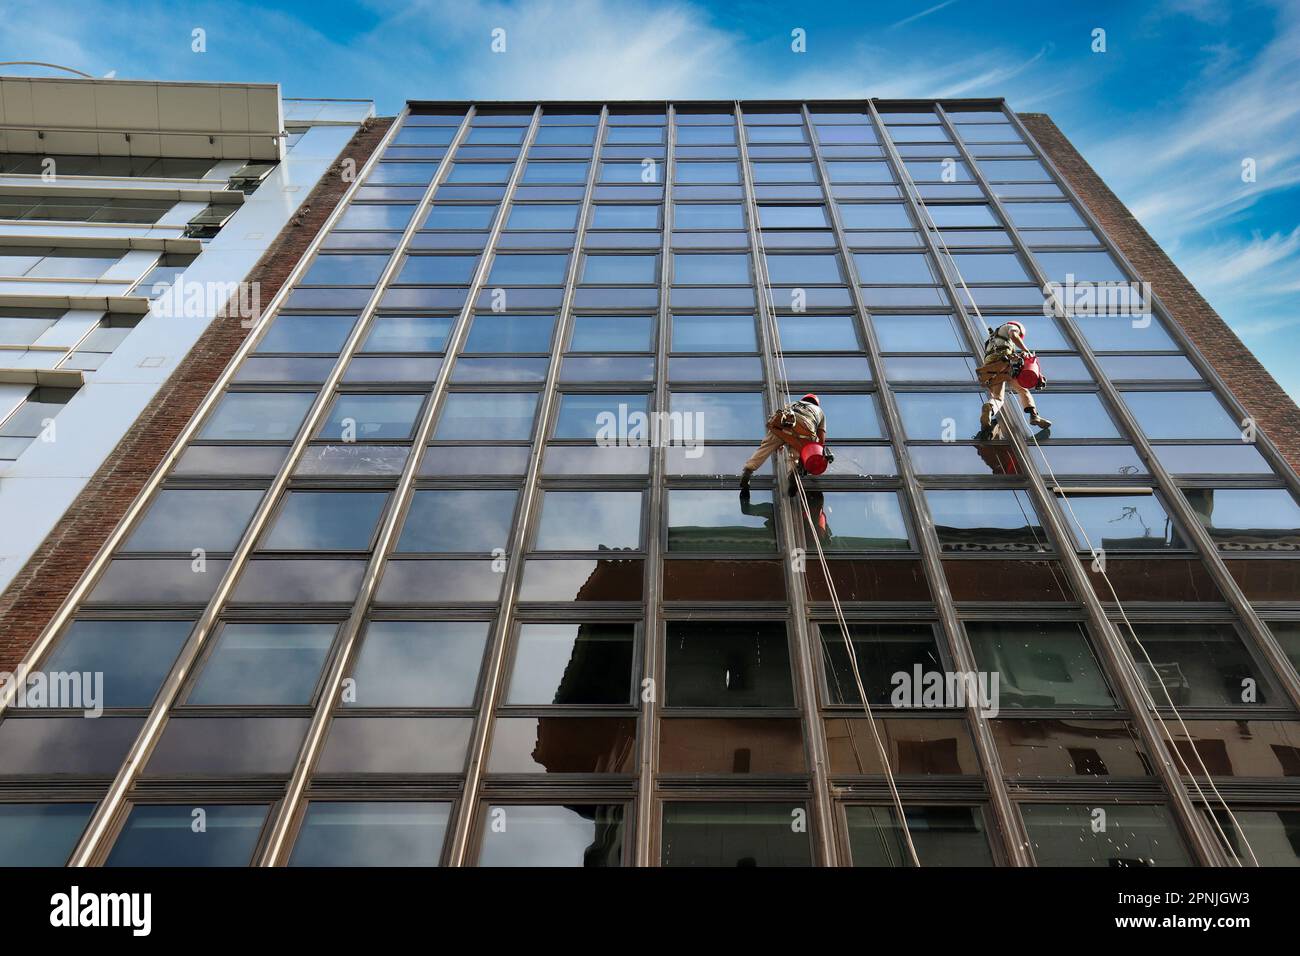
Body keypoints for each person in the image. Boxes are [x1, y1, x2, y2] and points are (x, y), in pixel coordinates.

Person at [740, 393, 831, 496]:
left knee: (766, 447)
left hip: (785, 421)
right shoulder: (819, 411)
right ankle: (793, 472)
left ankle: (748, 469)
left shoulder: (793, 403)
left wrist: (781, 442)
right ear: (816, 403)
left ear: (804, 399)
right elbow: (821, 439)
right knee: (796, 452)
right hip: (805, 426)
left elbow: (782, 416)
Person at [976, 320, 1051, 440]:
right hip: (1004, 359)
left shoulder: (992, 339)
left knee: (998, 398)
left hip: (991, 365)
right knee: (1023, 390)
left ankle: (989, 408)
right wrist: (1026, 351)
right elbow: (1014, 335)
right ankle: (1034, 416)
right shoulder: (1011, 327)